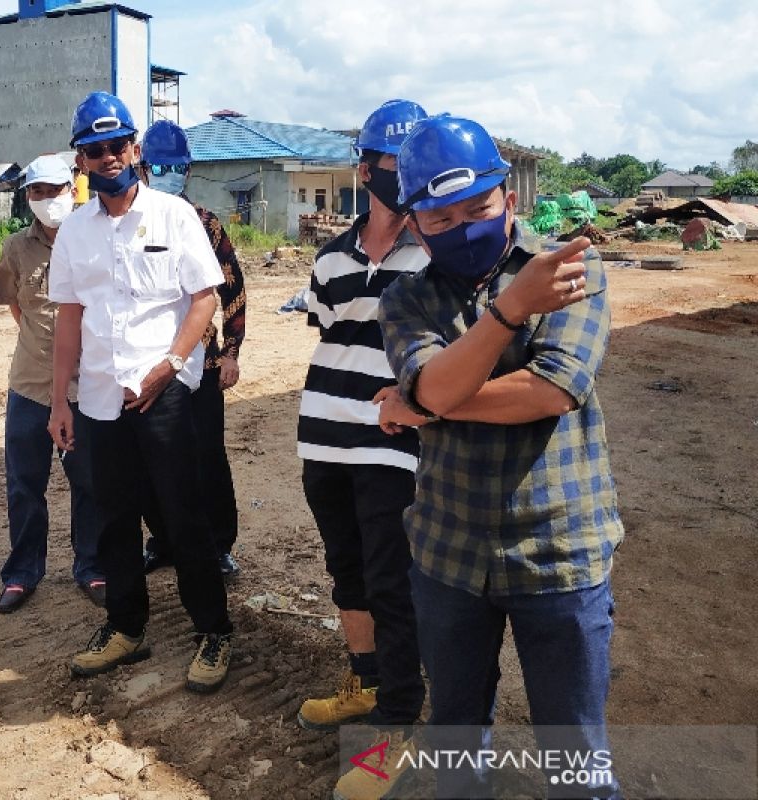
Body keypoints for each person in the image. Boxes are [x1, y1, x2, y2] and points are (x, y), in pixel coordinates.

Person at [370, 115, 623, 799]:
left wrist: (422, 402)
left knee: (575, 755)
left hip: (559, 550)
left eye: (477, 207)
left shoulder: (572, 267)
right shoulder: (406, 298)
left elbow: (551, 390)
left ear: (508, 198)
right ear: (417, 224)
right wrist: (510, 312)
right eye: (441, 217)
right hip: (449, 556)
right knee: (454, 740)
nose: (463, 226)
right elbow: (437, 381)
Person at [47, 91, 235, 693]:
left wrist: (173, 364)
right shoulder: (74, 232)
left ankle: (214, 629)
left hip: (165, 394)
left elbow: (205, 296)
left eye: (115, 146)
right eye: (93, 150)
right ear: (81, 160)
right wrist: (59, 401)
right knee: (113, 518)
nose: (107, 158)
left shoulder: (174, 216)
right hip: (100, 398)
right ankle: (126, 627)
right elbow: (70, 319)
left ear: (134, 148)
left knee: (184, 516)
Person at [291, 100, 431, 800]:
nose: (400, 181)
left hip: (392, 445)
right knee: (346, 573)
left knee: (391, 581)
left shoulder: (437, 254)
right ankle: (366, 684)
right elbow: (325, 328)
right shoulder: (331, 256)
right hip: (323, 436)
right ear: (365, 168)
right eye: (389, 168)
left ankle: (401, 723)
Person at [0, 153, 105, 613]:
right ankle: (22, 573)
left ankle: (93, 567)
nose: (45, 200)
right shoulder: (15, 248)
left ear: (72, 188)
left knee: (90, 481)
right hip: (29, 386)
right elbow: (17, 309)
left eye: (54, 191)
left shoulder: (95, 239)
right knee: (24, 483)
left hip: (86, 387)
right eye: (36, 192)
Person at [138, 119, 247, 580]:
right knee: (149, 460)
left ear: (189, 170)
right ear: (142, 168)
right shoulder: (129, 223)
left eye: (176, 166)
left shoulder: (206, 223)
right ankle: (163, 540)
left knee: (206, 457)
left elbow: (233, 290)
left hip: (199, 362)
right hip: (145, 363)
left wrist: (231, 352)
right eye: (159, 166)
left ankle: (218, 545)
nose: (168, 173)